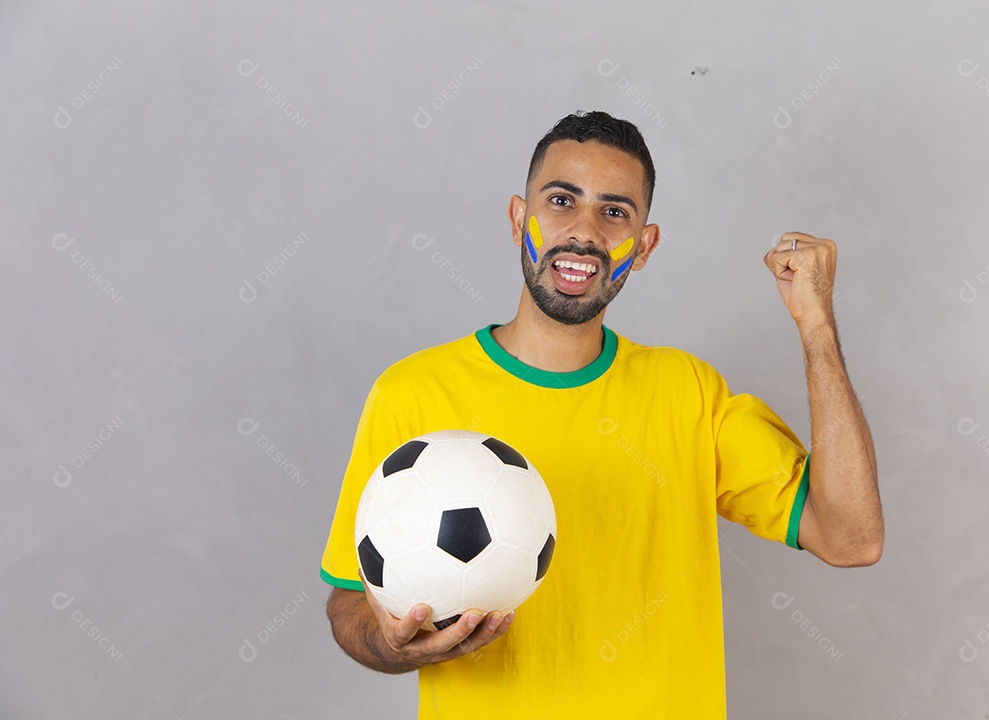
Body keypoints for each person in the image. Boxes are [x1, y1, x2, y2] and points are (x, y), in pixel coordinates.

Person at [319, 110, 884, 718]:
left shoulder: (688, 392)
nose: (585, 231)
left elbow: (851, 537)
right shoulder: (413, 393)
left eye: (614, 211)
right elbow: (349, 602)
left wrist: (816, 326)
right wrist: (392, 645)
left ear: (643, 247)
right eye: (562, 200)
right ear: (519, 219)